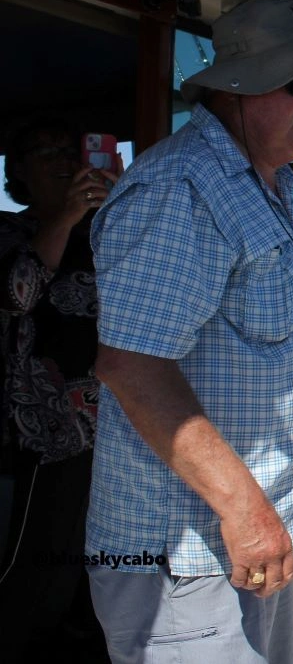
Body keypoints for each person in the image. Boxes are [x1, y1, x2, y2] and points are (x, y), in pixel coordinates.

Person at [85, 0, 293, 663]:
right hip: (184, 556)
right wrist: (245, 509)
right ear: (236, 86)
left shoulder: (264, 184)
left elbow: (288, 283)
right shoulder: (183, 189)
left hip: (243, 542)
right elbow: (132, 365)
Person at [0, 117, 116, 660]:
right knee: (34, 578)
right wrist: (67, 214)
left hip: (113, 433)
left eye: (66, 148)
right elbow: (17, 293)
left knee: (104, 580)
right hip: (40, 438)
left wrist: (121, 208)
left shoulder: (103, 234)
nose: (58, 157)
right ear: (17, 170)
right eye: (40, 148)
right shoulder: (10, 232)